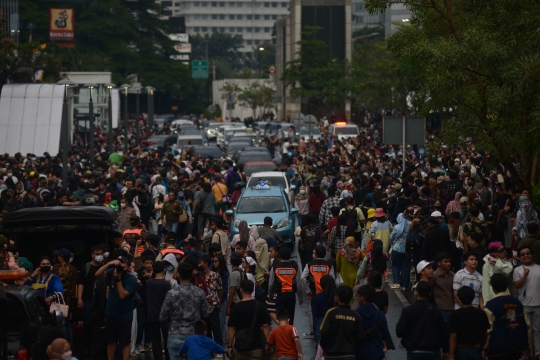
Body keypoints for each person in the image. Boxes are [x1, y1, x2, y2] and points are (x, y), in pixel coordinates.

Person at [160, 262, 209, 360]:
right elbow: (206, 314)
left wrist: (167, 327)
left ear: (178, 275)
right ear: (192, 274)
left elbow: (163, 316)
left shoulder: (171, 293)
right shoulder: (199, 292)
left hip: (175, 333)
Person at [94, 254, 138, 360]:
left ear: (128, 267)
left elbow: (122, 295)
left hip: (124, 315)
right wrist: (109, 264)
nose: (121, 267)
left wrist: (118, 280)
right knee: (110, 341)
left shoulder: (131, 279)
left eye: (123, 264)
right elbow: (97, 274)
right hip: (111, 313)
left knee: (125, 342)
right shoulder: (112, 272)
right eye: (119, 264)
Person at [484, 273, 532, 360]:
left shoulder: (490, 305)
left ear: (493, 287)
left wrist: (484, 347)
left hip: (497, 350)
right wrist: (528, 344)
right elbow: (528, 325)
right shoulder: (518, 303)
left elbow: (488, 330)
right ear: (506, 286)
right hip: (518, 348)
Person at [396, 281, 449, 360]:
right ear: (429, 294)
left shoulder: (408, 310)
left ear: (416, 293)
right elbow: (443, 333)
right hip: (433, 351)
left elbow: (399, 331)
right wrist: (445, 350)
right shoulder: (436, 311)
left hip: (414, 350)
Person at [227, 279, 271, 360]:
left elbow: (232, 328)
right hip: (256, 346)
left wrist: (230, 346)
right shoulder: (261, 306)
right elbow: (266, 326)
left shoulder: (235, 308)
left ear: (241, 290)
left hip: (240, 346)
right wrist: (268, 343)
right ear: (253, 290)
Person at [319, 285, 364, 360]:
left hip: (331, 354)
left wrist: (324, 347)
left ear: (337, 298)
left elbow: (324, 332)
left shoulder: (331, 313)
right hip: (350, 354)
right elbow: (360, 336)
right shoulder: (355, 315)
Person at [513, 245, 540, 359]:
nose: (526, 256)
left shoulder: (539, 268)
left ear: (532, 254)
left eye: (528, 253)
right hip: (524, 305)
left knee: (537, 331)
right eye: (522, 254)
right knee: (524, 331)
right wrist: (524, 277)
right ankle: (526, 353)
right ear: (519, 257)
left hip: (538, 304)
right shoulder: (518, 270)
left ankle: (538, 353)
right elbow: (516, 285)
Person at [448, 287, 490, 360]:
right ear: (473, 297)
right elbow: (485, 334)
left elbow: (453, 336)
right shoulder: (481, 313)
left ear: (459, 298)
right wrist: (482, 347)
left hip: (460, 349)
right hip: (476, 348)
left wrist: (451, 355)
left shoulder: (455, 314)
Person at [268, 246, 304, 325]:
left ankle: (282, 334)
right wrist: (300, 297)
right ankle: (290, 334)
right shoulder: (295, 267)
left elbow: (271, 284)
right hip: (291, 296)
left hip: (280, 295)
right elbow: (298, 284)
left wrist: (270, 295)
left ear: (280, 255)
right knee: (290, 318)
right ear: (290, 256)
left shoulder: (275, 267)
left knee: (281, 318)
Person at [355, 284, 391, 360]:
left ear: (362, 298)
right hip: (377, 353)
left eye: (358, 296)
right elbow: (385, 335)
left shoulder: (355, 314)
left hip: (359, 354)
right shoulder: (380, 314)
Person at [146, 261, 171, 360]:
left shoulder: (148, 283)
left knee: (155, 342)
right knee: (167, 340)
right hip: (164, 316)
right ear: (163, 269)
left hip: (151, 315)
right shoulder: (166, 284)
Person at [199, 254, 224, 351]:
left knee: (216, 328)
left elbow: (220, 290)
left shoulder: (215, 275)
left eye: (200, 263)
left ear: (205, 264)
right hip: (203, 306)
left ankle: (220, 349)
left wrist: (219, 303)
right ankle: (209, 349)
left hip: (213, 305)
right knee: (206, 329)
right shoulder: (199, 276)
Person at [53, 248, 75, 344]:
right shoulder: (70, 267)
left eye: (59, 256)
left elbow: (55, 282)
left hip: (61, 301)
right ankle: (69, 344)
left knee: (61, 324)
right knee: (66, 324)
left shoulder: (63, 270)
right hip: (67, 300)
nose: (57, 257)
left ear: (61, 258)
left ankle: (63, 345)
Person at [390, 211, 412, 290]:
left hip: (397, 249)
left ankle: (397, 282)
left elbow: (391, 238)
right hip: (407, 249)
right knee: (405, 267)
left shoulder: (397, 227)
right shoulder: (410, 224)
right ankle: (405, 285)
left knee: (395, 266)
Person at [430, 252, 454, 324]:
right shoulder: (434, 276)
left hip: (452, 308)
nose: (448, 264)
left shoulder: (453, 275)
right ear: (439, 263)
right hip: (440, 308)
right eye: (445, 262)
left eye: (449, 261)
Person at [311, 274, 335, 346]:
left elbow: (315, 313)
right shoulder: (336, 297)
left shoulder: (318, 297)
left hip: (321, 319)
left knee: (319, 340)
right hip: (334, 319)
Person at [226, 251, 245, 316]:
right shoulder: (241, 271)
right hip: (242, 299)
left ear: (231, 261)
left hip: (235, 301)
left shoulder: (233, 274)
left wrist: (228, 306)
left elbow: (232, 291)